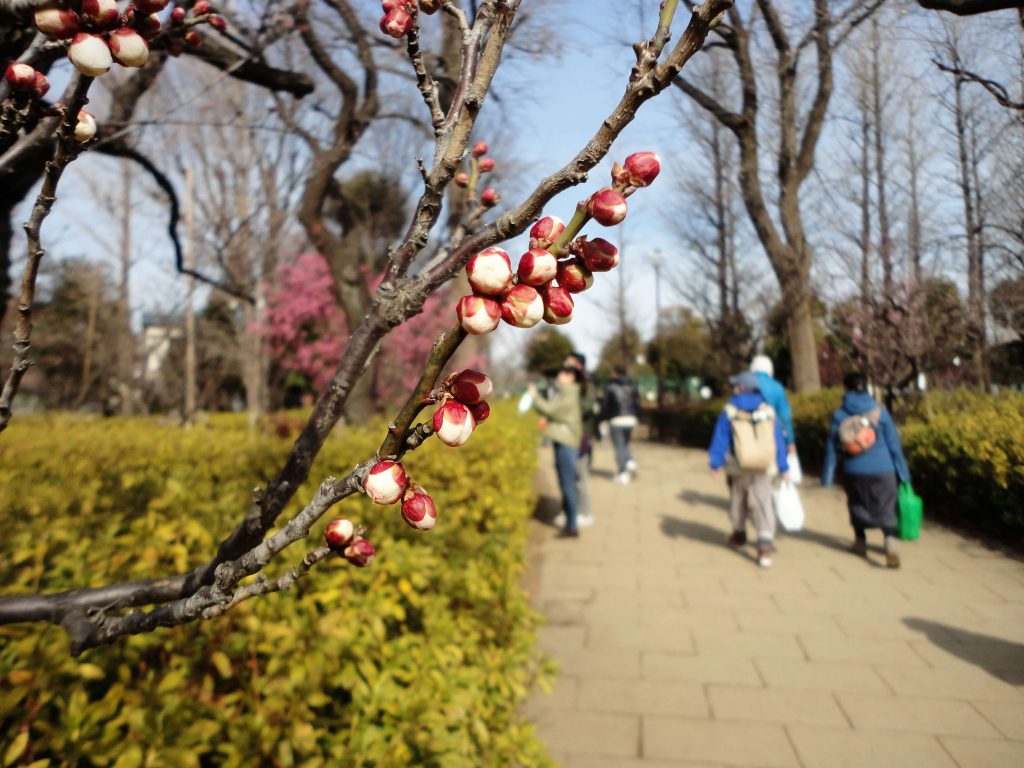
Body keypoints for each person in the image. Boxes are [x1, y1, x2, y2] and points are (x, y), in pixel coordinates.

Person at [822, 372, 911, 568]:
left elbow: (832, 447)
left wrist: (827, 476)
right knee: (886, 504)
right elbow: (893, 444)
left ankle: (860, 542)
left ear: (846, 388)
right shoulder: (880, 411)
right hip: (883, 468)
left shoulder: (839, 414)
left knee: (857, 503)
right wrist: (903, 472)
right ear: (867, 388)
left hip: (854, 469)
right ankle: (889, 542)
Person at [709, 371, 790, 568]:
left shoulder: (729, 410)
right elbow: (778, 441)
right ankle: (764, 546)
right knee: (763, 502)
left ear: (742, 388)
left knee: (738, 500)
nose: (733, 389)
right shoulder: (768, 411)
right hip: (764, 466)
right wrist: (783, 466)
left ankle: (739, 535)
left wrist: (715, 463)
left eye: (735, 386)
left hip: (738, 466)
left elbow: (721, 438)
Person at [528, 365, 584, 538]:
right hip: (563, 441)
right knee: (565, 483)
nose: (559, 377)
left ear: (571, 376)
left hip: (566, 442)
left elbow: (551, 410)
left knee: (567, 484)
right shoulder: (567, 393)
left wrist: (535, 396)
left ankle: (572, 525)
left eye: (562, 373)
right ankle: (570, 521)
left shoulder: (570, 393)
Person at [565, 352, 596, 527]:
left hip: (581, 434)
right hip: (567, 433)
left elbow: (586, 406)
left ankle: (585, 512)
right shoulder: (570, 382)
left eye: (570, 363)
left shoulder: (586, 384)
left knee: (580, 474)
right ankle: (571, 510)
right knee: (568, 475)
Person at [600, 365, 641, 484]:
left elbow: (606, 405)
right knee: (625, 443)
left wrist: (603, 419)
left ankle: (623, 472)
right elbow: (637, 403)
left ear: (616, 373)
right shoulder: (632, 386)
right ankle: (630, 461)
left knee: (619, 446)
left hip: (616, 419)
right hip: (631, 419)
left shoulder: (611, 387)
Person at [750, 354, 797, 456]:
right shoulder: (777, 387)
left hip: (749, 437)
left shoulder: (745, 385)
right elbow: (785, 417)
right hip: (773, 436)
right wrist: (790, 441)